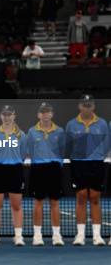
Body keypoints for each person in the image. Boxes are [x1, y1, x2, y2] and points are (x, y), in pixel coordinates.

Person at [65, 95, 109, 246]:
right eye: (84, 105)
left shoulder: (102, 124)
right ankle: (80, 236)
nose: (87, 107)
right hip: (79, 164)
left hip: (96, 164)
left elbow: (106, 143)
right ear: (79, 106)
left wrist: (98, 156)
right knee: (81, 198)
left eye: (89, 105)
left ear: (93, 106)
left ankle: (97, 237)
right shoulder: (71, 124)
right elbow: (68, 145)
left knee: (95, 198)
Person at [0, 105, 27, 246]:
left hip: (15, 171)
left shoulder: (21, 135)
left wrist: (12, 162)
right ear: (1, 116)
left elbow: (22, 155)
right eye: (4, 114)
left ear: (14, 115)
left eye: (9, 114)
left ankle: (18, 236)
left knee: (16, 206)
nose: (7, 117)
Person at [26, 102, 65, 246]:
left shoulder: (60, 131)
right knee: (38, 203)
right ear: (38, 115)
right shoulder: (31, 132)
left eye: (48, 112)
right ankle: (37, 236)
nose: (45, 114)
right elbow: (29, 149)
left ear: (52, 114)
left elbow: (62, 150)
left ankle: (56, 236)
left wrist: (56, 164)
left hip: (54, 169)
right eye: (43, 112)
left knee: (55, 202)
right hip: (38, 169)